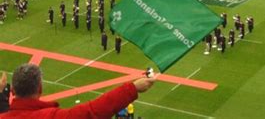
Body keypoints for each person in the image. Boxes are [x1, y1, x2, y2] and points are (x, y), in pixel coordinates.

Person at [1, 63, 155, 118]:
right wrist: (133, 88)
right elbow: (94, 111)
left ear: (12, 91)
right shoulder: (50, 117)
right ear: (40, 88)